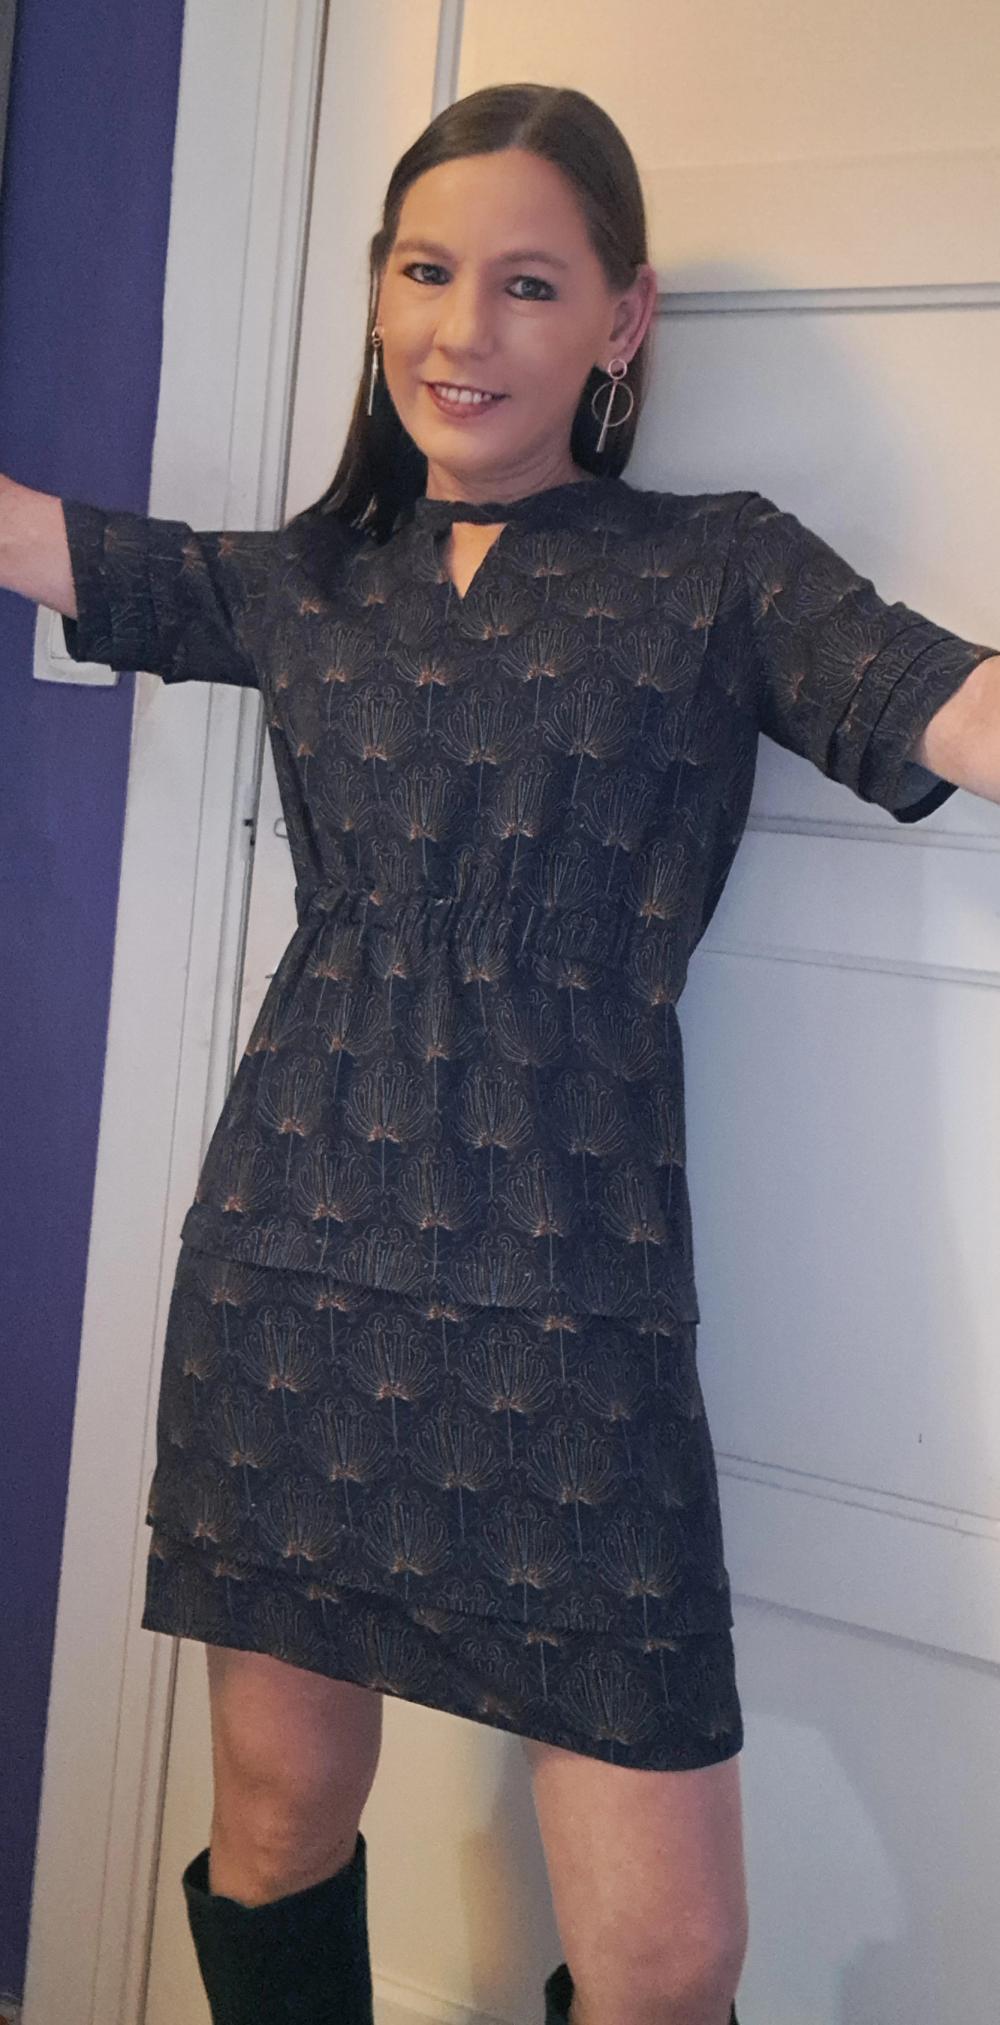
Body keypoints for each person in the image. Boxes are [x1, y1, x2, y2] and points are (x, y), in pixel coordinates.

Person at [3, 78, 998, 2025]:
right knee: (277, 1816)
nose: (462, 329)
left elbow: (948, 703)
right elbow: (52, 545)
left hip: (570, 1301)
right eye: (425, 270)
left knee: (666, 1955)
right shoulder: (304, 581)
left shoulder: (720, 568)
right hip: (293, 1268)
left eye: (529, 283)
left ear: (622, 318)